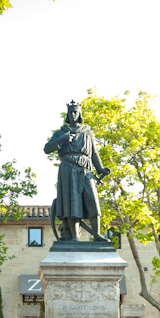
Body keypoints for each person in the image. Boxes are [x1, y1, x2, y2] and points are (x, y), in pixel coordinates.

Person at [44, 100, 110, 242]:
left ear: (79, 114)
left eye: (75, 112)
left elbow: (94, 153)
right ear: (67, 115)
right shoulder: (60, 133)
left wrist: (100, 168)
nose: (73, 114)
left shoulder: (88, 132)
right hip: (67, 169)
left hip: (86, 170)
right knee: (71, 203)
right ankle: (75, 237)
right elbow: (47, 149)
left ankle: (97, 235)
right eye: (70, 112)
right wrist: (62, 139)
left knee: (92, 200)